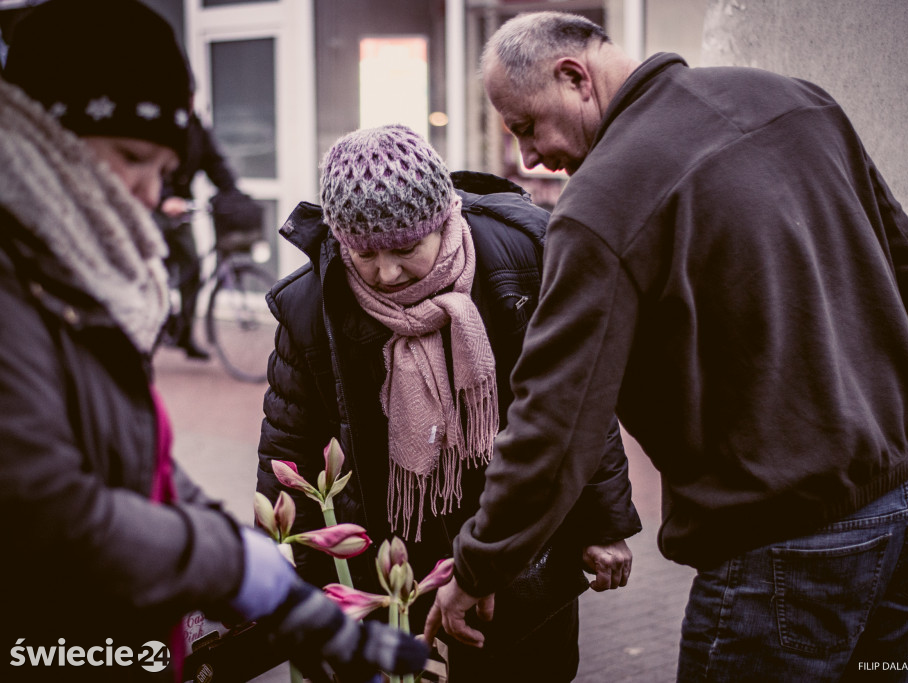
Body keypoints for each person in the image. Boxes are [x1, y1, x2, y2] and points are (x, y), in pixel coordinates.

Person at [427, 11, 908, 682]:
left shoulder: (601, 202)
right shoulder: (793, 99)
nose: (530, 159)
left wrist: (480, 565)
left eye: (526, 126)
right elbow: (906, 265)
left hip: (790, 541)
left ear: (574, 76)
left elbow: (557, 417)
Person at [0, 2, 425, 682]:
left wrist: (283, 595)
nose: (147, 193)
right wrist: (227, 560)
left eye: (164, 170)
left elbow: (139, 467)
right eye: (133, 157)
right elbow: (48, 508)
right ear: (36, 136)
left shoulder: (74, 282)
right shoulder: (19, 293)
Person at [257, 124, 641, 681]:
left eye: (407, 248)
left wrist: (603, 524)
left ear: (444, 218)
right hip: (394, 558)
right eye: (364, 254)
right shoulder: (310, 305)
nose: (387, 273)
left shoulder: (523, 259)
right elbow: (289, 447)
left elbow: (578, 402)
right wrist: (295, 580)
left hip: (518, 546)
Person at [155, 112, 242, 360]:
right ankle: (150, 329)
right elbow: (152, 165)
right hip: (158, 208)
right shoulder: (162, 119)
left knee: (192, 268)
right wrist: (165, 197)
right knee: (155, 269)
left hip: (182, 209)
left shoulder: (195, 127)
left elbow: (214, 163)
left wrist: (234, 193)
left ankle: (184, 334)